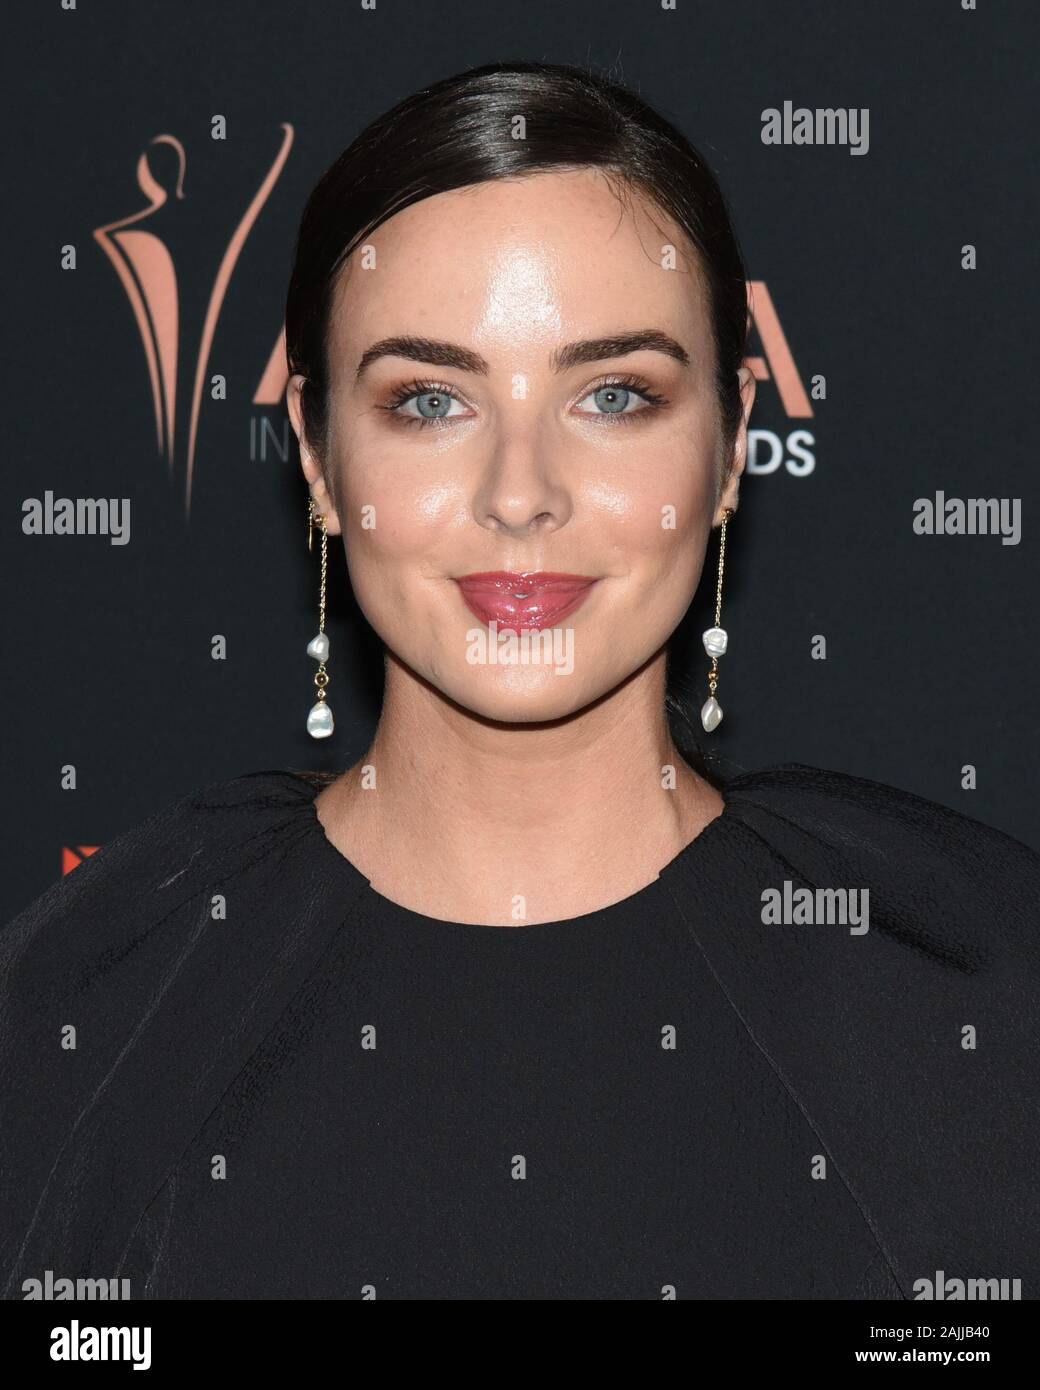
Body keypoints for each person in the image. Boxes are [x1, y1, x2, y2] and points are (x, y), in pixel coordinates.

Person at [2, 60, 1038, 1302]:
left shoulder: (972, 990)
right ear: (320, 462)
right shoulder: (99, 997)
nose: (518, 491)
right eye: (429, 401)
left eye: (613, 395)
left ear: (727, 445)